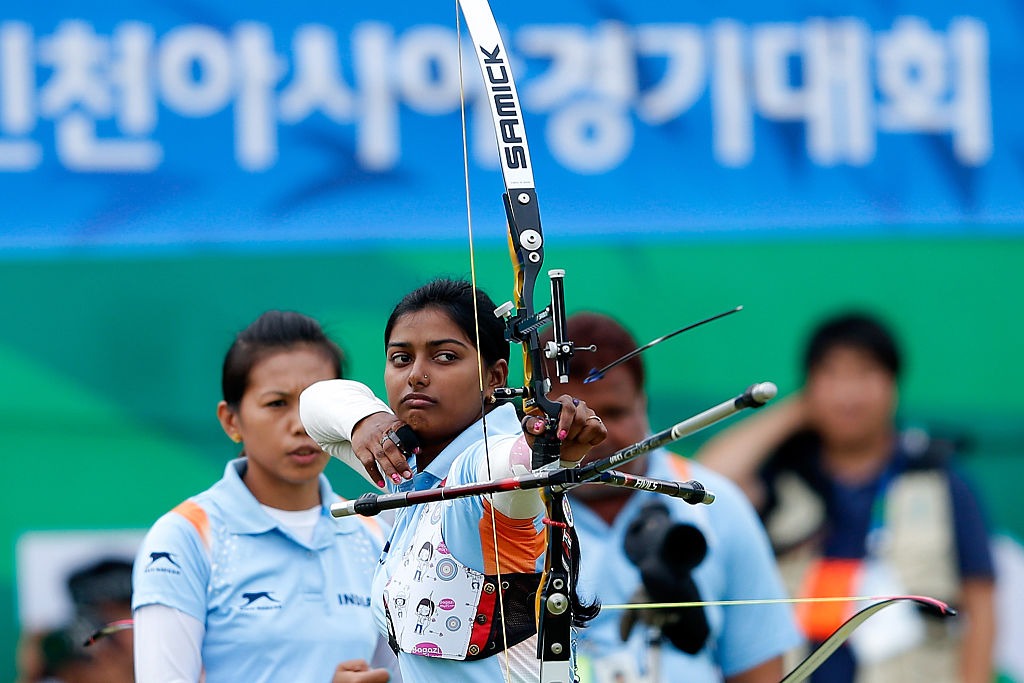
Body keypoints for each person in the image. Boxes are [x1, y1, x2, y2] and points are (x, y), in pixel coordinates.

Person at [300, 279, 607, 683]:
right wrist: (365, 421)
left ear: (496, 376)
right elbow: (315, 403)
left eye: (445, 357)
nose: (417, 376)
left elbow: (506, 469)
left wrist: (543, 450)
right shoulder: (405, 468)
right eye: (400, 358)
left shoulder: (479, 463)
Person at [698, 312, 996, 683]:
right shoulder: (784, 477)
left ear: (893, 383)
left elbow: (981, 607)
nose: (848, 392)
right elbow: (706, 481)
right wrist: (796, 410)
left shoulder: (940, 481)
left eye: (865, 373)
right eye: (832, 374)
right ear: (809, 386)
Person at [131, 311, 395, 683]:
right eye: (277, 403)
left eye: (314, 407)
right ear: (231, 421)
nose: (301, 425)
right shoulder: (186, 536)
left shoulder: (375, 535)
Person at [539, 312, 801, 683]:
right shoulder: (509, 513)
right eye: (574, 420)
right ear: (538, 416)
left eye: (614, 412)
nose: (596, 434)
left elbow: (760, 670)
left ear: (642, 405)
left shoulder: (715, 504)